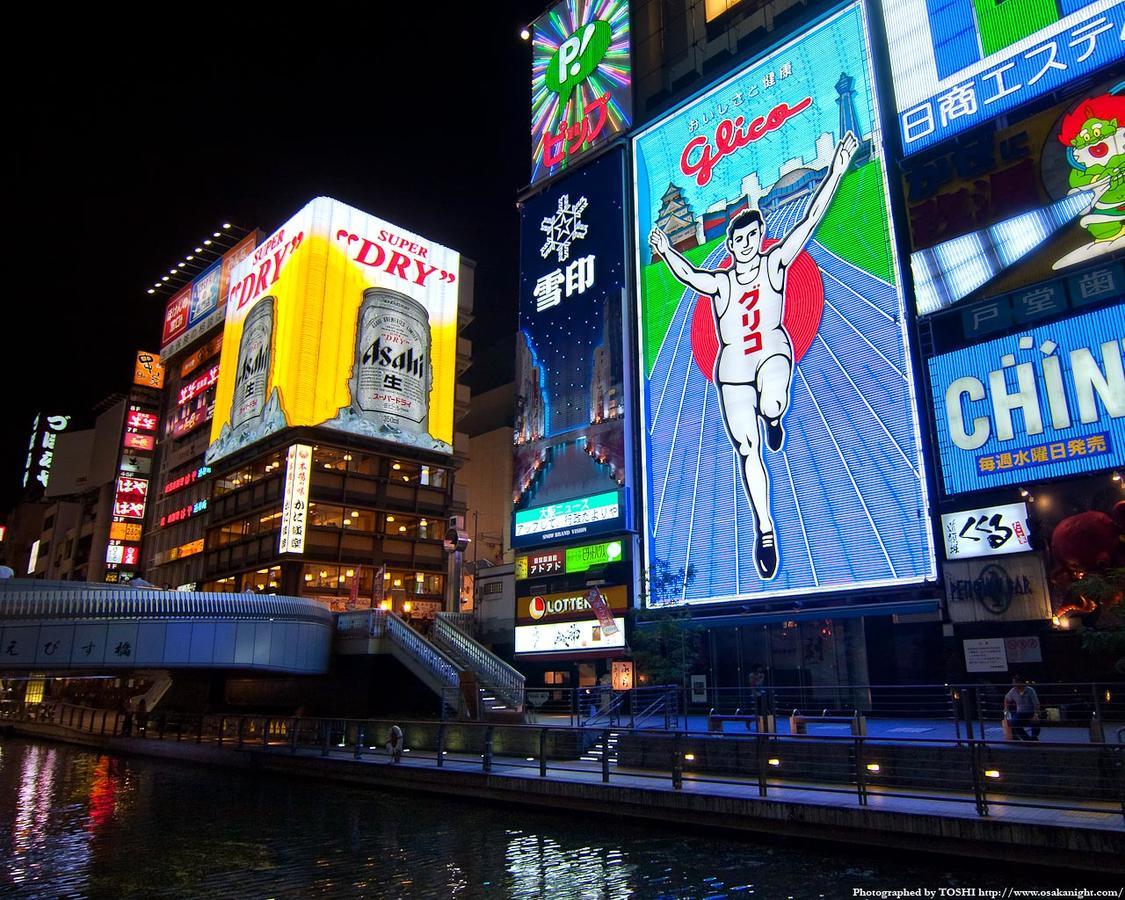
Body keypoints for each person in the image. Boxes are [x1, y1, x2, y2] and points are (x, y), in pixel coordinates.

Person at [649, 132, 859, 580]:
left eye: (751, 235)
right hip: (734, 369)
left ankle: (775, 415)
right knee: (747, 449)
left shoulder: (775, 264)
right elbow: (690, 276)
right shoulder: (722, 282)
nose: (745, 243)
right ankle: (765, 528)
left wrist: (837, 169)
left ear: (759, 236)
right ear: (730, 244)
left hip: (773, 352)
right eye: (738, 238)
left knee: (773, 400)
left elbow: (808, 220)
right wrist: (666, 251)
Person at [1004, 675, 1041, 741]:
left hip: (1031, 712)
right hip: (1020, 713)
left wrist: (1036, 714)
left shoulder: (1030, 690)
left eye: (1014, 682)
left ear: (1020, 682)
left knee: (1036, 721)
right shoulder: (1013, 690)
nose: (1013, 684)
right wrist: (1006, 708)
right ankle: (1026, 738)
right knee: (1013, 722)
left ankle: (1034, 737)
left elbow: (1036, 703)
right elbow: (1006, 698)